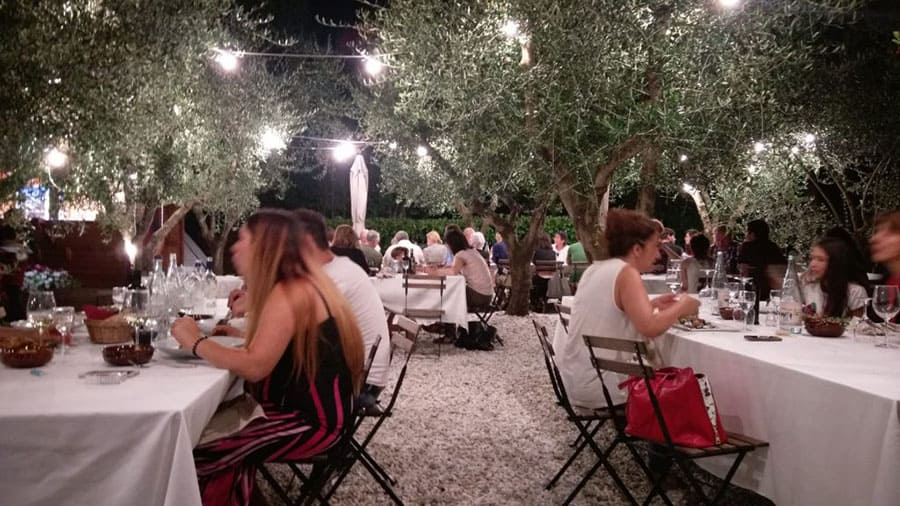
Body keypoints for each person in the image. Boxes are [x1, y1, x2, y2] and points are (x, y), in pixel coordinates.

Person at [171, 209, 365, 506]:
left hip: (312, 422)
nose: (235, 246)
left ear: (265, 247)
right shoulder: (302, 284)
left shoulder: (290, 292)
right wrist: (231, 339)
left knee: (198, 452)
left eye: (244, 239)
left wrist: (195, 341)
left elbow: (255, 367)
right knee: (208, 437)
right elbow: (281, 347)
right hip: (322, 413)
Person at [555, 208, 700, 409]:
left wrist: (652, 305)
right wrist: (683, 305)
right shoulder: (626, 273)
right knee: (690, 388)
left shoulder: (596, 269)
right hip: (602, 385)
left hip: (576, 378)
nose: (658, 254)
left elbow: (609, 312)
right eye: (655, 246)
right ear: (637, 249)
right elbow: (649, 327)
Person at [294, 210, 393, 410]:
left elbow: (300, 319)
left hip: (362, 384)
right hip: (367, 375)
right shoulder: (341, 267)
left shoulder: (335, 275)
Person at [801, 237, 867, 318]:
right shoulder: (809, 287)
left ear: (835, 263)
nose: (812, 264)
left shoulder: (855, 292)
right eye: (812, 258)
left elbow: (857, 327)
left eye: (821, 260)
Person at [433, 228, 495, 308]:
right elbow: (455, 268)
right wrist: (442, 269)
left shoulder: (461, 255)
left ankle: (448, 318)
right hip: (487, 295)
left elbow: (453, 272)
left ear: (452, 244)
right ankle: (449, 318)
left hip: (479, 296)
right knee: (453, 288)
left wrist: (434, 272)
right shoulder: (471, 251)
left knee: (449, 291)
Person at [736, 219, 787, 301]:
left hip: (751, 291)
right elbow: (783, 269)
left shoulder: (747, 247)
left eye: (747, 232)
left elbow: (742, 270)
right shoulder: (774, 247)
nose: (746, 235)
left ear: (752, 234)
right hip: (771, 293)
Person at [531, 232, 557, 308]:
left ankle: (536, 302)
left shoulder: (537, 252)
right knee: (542, 283)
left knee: (532, 281)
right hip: (551, 277)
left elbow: (534, 262)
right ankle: (543, 300)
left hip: (539, 277)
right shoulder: (553, 252)